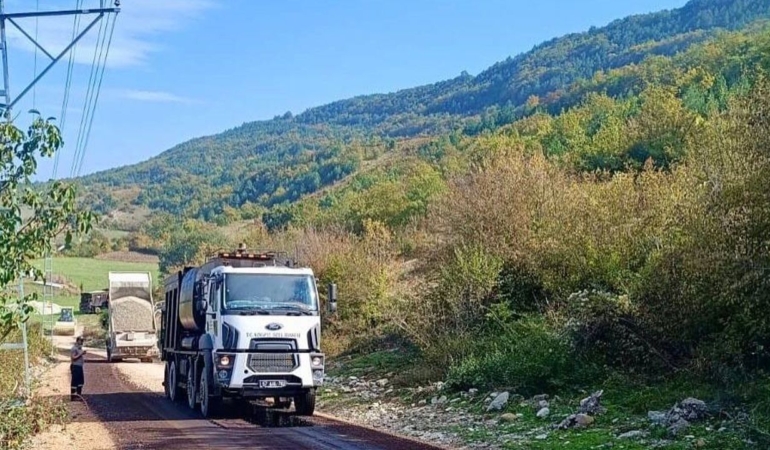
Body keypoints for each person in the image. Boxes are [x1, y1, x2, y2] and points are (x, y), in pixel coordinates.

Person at [70, 336, 87, 401]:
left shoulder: (79, 348)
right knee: (75, 381)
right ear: (77, 341)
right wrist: (81, 354)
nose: (82, 342)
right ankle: (73, 396)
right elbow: (73, 358)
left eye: (83, 341)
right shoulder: (74, 348)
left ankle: (79, 395)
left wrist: (82, 353)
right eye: (81, 340)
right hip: (75, 366)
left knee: (81, 381)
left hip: (79, 366)